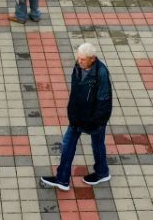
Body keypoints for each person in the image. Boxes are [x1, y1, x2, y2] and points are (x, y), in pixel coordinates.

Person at [40, 42, 113, 191]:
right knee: (68, 144)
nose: (79, 61)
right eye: (78, 58)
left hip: (94, 118)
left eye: (83, 59)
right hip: (78, 116)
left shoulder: (101, 73)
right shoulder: (79, 66)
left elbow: (104, 101)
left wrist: (94, 121)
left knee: (96, 144)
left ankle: (100, 172)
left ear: (92, 58)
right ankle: (64, 178)